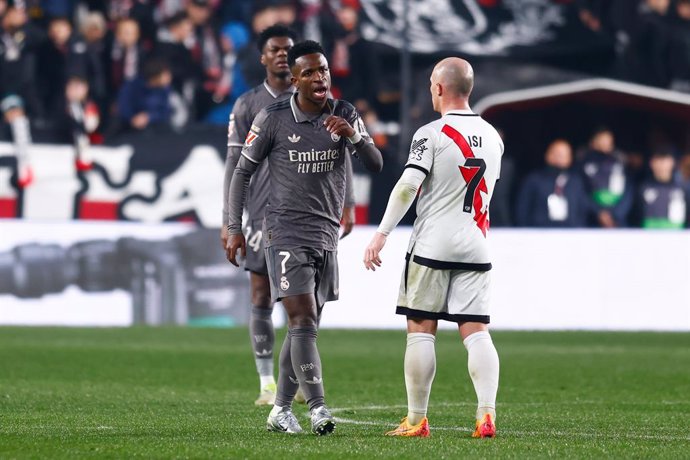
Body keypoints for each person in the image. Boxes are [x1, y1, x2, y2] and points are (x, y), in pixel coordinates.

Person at [225, 40, 383, 435]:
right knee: (303, 319)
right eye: (310, 72)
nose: (319, 78)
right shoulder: (272, 117)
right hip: (285, 232)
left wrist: (354, 136)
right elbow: (241, 172)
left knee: (304, 330)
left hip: (327, 236)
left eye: (324, 70)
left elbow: (377, 164)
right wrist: (232, 227)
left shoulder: (344, 113)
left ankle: (279, 410)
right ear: (294, 80)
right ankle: (318, 408)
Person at [363, 57, 502, 438]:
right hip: (476, 246)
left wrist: (382, 233)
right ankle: (485, 414)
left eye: (430, 85)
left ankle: (416, 420)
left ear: (439, 88)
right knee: (476, 332)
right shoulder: (493, 136)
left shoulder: (431, 133)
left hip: (432, 245)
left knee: (421, 329)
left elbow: (408, 186)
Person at [220, 24, 342, 407]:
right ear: (263, 57)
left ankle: (293, 390)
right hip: (263, 214)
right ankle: (267, 383)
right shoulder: (249, 105)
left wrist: (348, 203)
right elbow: (235, 166)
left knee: (307, 311)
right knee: (262, 293)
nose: (281, 54)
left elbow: (345, 157)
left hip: (313, 217)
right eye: (275, 49)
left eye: (287, 49)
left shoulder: (321, 100)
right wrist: (231, 221)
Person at [515, 139, 590, 228]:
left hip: (570, 234)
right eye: (557, 154)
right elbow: (523, 209)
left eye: (564, 154)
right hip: (538, 233)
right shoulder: (534, 180)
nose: (560, 157)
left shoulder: (576, 182)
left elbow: (582, 209)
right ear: (548, 155)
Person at [578, 127, 633, 228]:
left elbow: (628, 191)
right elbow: (580, 192)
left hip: (618, 220)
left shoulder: (619, 162)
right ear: (593, 142)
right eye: (602, 139)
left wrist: (616, 214)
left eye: (608, 140)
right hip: (591, 220)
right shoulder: (583, 164)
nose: (606, 143)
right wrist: (598, 213)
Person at [632, 148, 688, 229]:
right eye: (658, 160)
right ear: (651, 163)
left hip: (677, 237)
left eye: (665, 160)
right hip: (648, 237)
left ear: (672, 162)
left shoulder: (683, 188)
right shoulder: (643, 188)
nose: (661, 165)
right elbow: (635, 215)